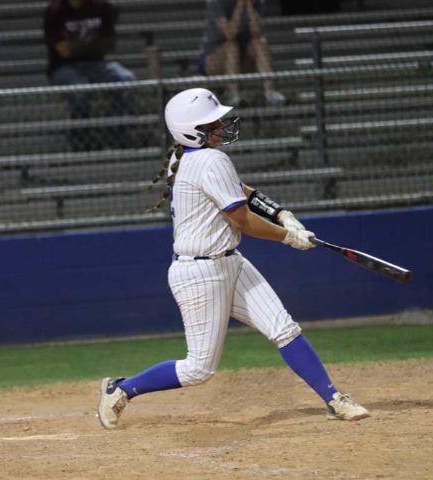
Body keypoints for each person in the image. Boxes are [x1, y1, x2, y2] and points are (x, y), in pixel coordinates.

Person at [97, 87, 369, 429]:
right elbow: (242, 219)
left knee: (284, 329)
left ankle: (333, 399)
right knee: (199, 370)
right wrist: (288, 237)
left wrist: (281, 213)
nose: (220, 126)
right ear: (189, 130)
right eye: (210, 123)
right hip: (200, 274)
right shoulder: (210, 160)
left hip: (230, 262)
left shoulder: (185, 158)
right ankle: (122, 388)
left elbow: (241, 191)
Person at [43, 0, 137, 150]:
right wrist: (93, 44)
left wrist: (76, 47)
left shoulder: (101, 7)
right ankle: (80, 139)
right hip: (62, 67)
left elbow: (109, 44)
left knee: (127, 80)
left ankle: (112, 134)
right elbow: (63, 51)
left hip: (96, 64)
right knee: (80, 88)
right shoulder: (54, 11)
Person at [201, 0, 286, 106]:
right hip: (215, 59)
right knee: (232, 46)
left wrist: (250, 7)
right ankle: (233, 95)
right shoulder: (216, 3)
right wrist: (240, 6)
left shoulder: (256, 3)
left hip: (242, 58)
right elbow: (230, 34)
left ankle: (270, 92)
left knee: (259, 43)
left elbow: (257, 32)